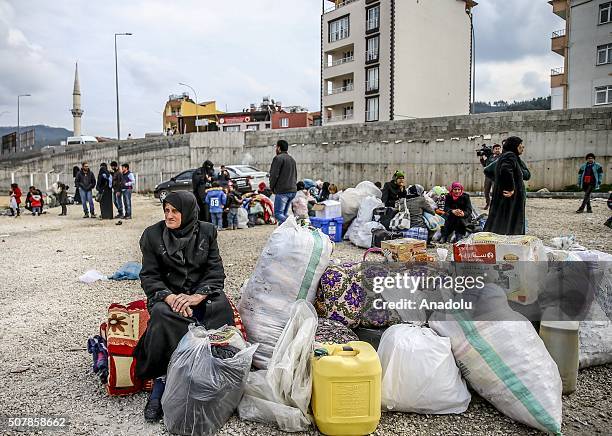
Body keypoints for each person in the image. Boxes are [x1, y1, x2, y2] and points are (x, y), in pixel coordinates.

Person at [133, 191, 234, 421]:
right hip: (170, 296)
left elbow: (215, 271)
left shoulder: (207, 232)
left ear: (187, 212)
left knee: (220, 308)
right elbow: (149, 276)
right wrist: (169, 297)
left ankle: (212, 372)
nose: (169, 216)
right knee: (161, 315)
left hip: (199, 295)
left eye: (175, 211)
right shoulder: (152, 236)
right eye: (166, 210)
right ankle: (162, 380)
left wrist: (198, 296)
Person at [484, 136, 530, 235]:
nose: (523, 147)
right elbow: (505, 170)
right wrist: (510, 188)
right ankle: (510, 243)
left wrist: (499, 181)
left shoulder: (507, 156)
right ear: (515, 146)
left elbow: (489, 170)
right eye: (520, 145)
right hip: (510, 198)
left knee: (501, 221)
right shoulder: (510, 156)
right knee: (510, 221)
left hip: (507, 197)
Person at [269, 139, 297, 224]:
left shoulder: (278, 158)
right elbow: (295, 174)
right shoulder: (292, 159)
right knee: (284, 214)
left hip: (282, 191)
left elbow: (274, 175)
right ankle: (284, 234)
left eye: (276, 147)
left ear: (279, 148)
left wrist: (272, 187)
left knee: (278, 214)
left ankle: (295, 224)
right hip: (292, 190)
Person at [481, 143, 502, 210]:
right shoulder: (490, 157)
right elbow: (484, 164)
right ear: (493, 150)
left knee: (495, 191)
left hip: (496, 177)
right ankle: (488, 203)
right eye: (496, 149)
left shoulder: (501, 157)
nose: (497, 150)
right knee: (486, 191)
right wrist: (481, 157)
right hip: (488, 177)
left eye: (498, 149)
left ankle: (495, 205)